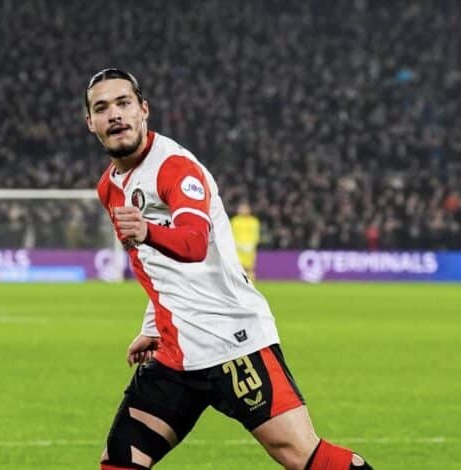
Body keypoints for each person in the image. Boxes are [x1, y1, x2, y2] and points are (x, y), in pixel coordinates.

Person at [85, 68, 373, 470]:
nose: (114, 114)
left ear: (143, 109)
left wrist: (148, 230)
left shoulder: (175, 168)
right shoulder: (109, 187)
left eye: (123, 103)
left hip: (232, 343)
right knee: (121, 461)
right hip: (175, 355)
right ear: (91, 122)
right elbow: (155, 267)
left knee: (303, 456)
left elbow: (194, 243)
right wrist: (153, 325)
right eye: (102, 108)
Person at [231, 201, 262, 282]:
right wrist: (236, 244)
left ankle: (251, 285)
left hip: (250, 248)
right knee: (239, 267)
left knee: (250, 268)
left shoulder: (254, 221)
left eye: (245, 208)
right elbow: (231, 233)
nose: (243, 210)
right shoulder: (235, 221)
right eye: (241, 209)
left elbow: (256, 234)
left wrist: (252, 244)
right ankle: (240, 283)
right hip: (238, 248)